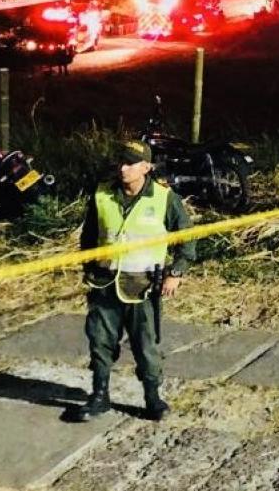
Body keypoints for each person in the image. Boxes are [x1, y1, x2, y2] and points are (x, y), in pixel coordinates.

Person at [69, 140, 195, 422]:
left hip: (143, 287)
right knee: (100, 341)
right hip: (104, 283)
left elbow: (186, 240)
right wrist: (88, 267)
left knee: (146, 346)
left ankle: (152, 399)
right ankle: (99, 396)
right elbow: (89, 236)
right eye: (120, 162)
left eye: (131, 163)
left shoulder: (164, 198)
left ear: (146, 167)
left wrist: (176, 273)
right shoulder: (102, 193)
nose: (123, 168)